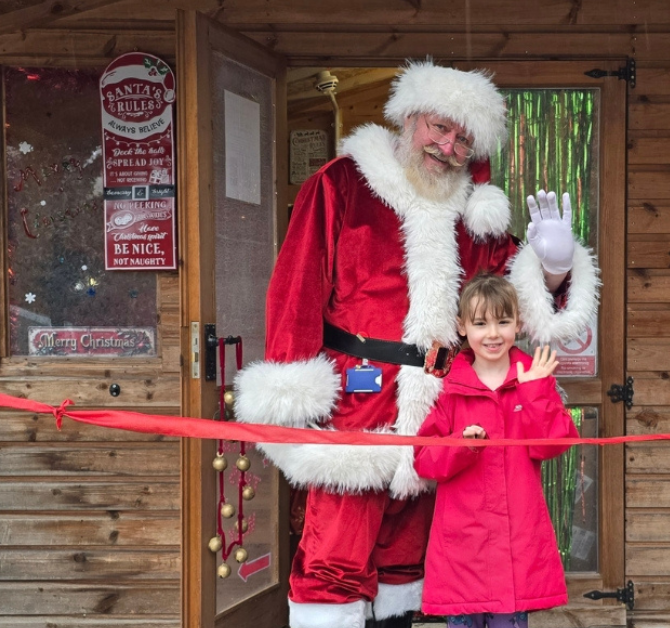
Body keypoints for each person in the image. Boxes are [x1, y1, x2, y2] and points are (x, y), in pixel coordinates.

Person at [233, 60, 599, 628]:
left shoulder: (475, 216)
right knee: (333, 559)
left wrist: (552, 267)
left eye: (462, 138)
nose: (448, 147)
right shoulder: (341, 184)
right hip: (354, 406)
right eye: (439, 128)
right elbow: (295, 291)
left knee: (407, 563)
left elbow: (512, 306)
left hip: (439, 412)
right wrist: (291, 390)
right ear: (410, 119)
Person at [413, 273, 577, 627]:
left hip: (515, 547)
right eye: (480, 323)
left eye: (503, 322)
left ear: (518, 323)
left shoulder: (531, 378)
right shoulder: (447, 388)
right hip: (462, 552)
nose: (492, 333)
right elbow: (425, 461)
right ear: (462, 327)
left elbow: (553, 445)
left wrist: (535, 392)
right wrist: (462, 446)